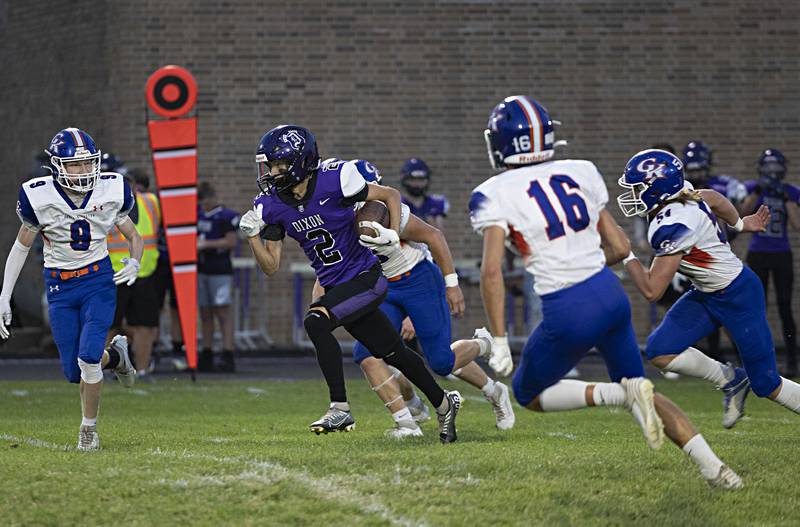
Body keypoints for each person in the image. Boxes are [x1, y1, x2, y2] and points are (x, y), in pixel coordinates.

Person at [471, 97, 741, 488]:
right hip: (609, 296)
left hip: (568, 306)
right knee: (641, 386)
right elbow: (617, 248)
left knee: (527, 392)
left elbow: (492, 271)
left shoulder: (492, 192)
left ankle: (619, 395)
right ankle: (716, 469)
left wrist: (498, 339)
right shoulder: (579, 170)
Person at [239, 125, 461, 442]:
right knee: (394, 352)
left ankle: (339, 407)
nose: (271, 173)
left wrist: (392, 234)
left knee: (316, 321)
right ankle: (443, 404)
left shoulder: (335, 180)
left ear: (299, 162)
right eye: (269, 167)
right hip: (337, 286)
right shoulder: (272, 204)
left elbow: (390, 194)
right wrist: (252, 238)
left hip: (365, 277)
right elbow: (271, 266)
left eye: (278, 165)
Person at [617, 148, 800, 430]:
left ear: (658, 187)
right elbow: (713, 198)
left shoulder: (674, 223)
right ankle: (730, 379)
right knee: (659, 350)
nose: (633, 194)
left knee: (766, 384)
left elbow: (652, 291)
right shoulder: (684, 194)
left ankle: (750, 382)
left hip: (739, 295)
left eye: (639, 187)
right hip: (707, 294)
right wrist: (739, 222)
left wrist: (625, 254)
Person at [345, 160, 514, 438]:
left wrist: (452, 285)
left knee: (441, 362)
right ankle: (408, 421)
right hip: (384, 288)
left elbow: (435, 237)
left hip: (418, 282)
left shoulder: (390, 212)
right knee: (366, 353)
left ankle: (484, 345)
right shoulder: (339, 216)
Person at [0, 128, 140, 450]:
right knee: (72, 372)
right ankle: (116, 356)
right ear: (57, 166)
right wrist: (5, 294)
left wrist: (134, 261)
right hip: (60, 286)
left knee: (89, 357)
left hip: (97, 281)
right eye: (74, 165)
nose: (84, 171)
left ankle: (88, 430)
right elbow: (21, 247)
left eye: (88, 163)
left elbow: (134, 235)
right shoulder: (39, 196)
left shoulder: (112, 189)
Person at [742, 149, 799, 377]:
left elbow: (797, 224)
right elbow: (740, 215)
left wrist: (786, 199)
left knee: (785, 306)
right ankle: (761, 361)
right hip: (758, 254)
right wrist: (757, 191)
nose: (772, 172)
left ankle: (793, 360)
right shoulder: (752, 188)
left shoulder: (791, 191)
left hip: (781, 254)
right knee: (757, 308)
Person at [107, 168, 161, 381]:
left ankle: (143, 369)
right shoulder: (105, 205)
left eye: (128, 182)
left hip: (144, 273)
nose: (126, 186)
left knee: (145, 326)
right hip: (113, 275)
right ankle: (104, 367)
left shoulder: (150, 202)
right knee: (108, 325)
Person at [197, 181, 240, 372]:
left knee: (223, 312)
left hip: (220, 268)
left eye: (206, 200)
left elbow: (231, 242)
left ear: (213, 198)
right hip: (202, 268)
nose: (204, 205)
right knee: (205, 313)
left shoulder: (225, 216)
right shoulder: (198, 214)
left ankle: (227, 352)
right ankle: (206, 352)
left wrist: (206, 245)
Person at [400, 158, 449, 230]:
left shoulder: (437, 203)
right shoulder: (398, 203)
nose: (417, 184)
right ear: (405, 180)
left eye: (421, 179)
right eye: (412, 179)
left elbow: (441, 235)